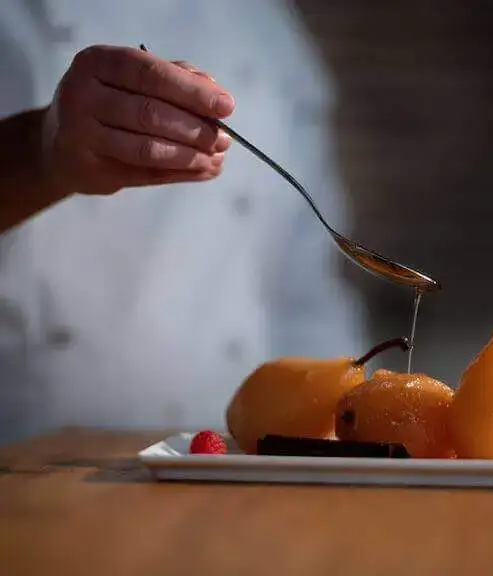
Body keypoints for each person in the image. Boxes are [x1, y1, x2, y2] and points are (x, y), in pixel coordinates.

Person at [0, 0, 368, 443]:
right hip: (28, 457)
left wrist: (347, 434)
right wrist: (38, 152)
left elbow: (304, 287)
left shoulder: (265, 21)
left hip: (228, 461)